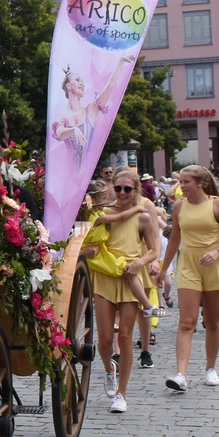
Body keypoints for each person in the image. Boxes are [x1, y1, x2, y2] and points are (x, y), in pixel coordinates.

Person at [86, 170, 161, 413]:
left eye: (127, 189)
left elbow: (153, 250)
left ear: (136, 190)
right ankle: (109, 369)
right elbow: (87, 238)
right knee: (105, 339)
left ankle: (122, 392)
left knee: (126, 336)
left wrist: (139, 263)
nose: (122, 193)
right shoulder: (102, 213)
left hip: (130, 276)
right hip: (105, 276)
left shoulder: (143, 217)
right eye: (118, 188)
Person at [158, 165, 219, 392]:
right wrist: (163, 269)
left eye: (186, 182)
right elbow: (174, 239)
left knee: (212, 321)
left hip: (214, 263)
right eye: (180, 181)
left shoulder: (218, 205)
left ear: (200, 183)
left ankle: (210, 368)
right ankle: (180, 374)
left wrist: (217, 251)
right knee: (186, 321)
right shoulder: (178, 206)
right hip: (188, 264)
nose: (181, 186)